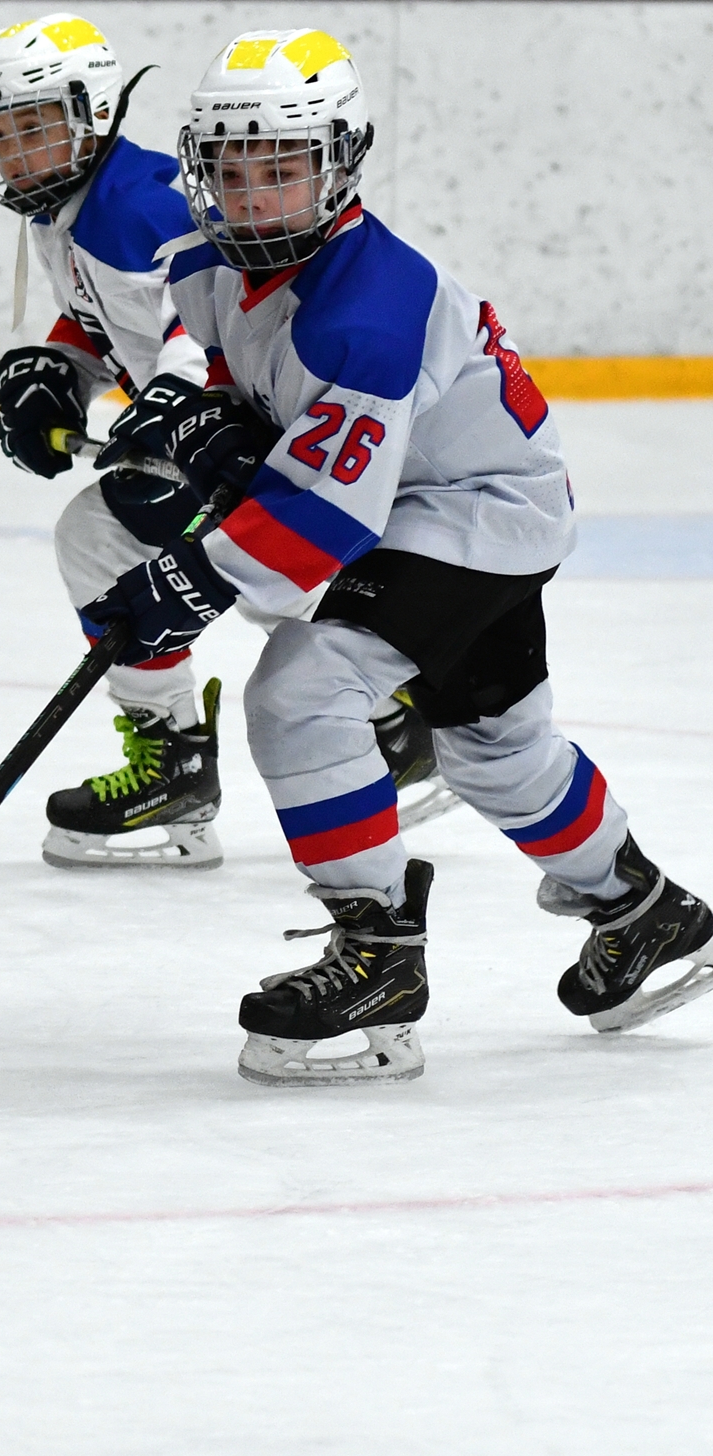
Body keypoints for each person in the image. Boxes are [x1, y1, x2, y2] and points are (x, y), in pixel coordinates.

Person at [81, 30, 713, 1083]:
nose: (254, 195)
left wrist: (182, 583)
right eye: (231, 170)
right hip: (430, 499)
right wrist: (205, 417)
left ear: (337, 162)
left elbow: (314, 521)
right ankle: (645, 911)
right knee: (494, 747)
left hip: (472, 515)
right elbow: (234, 378)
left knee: (302, 690)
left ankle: (376, 950)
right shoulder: (204, 260)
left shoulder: (373, 308)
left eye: (280, 167)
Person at [0, 12, 450, 871]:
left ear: (94, 111)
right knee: (102, 537)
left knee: (225, 556)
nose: (17, 151)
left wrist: (175, 409)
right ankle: (185, 756)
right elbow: (104, 322)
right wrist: (58, 371)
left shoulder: (141, 203)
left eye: (35, 125)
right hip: (214, 428)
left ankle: (385, 714)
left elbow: (206, 305)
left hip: (266, 428)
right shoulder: (65, 216)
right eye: (2, 133)